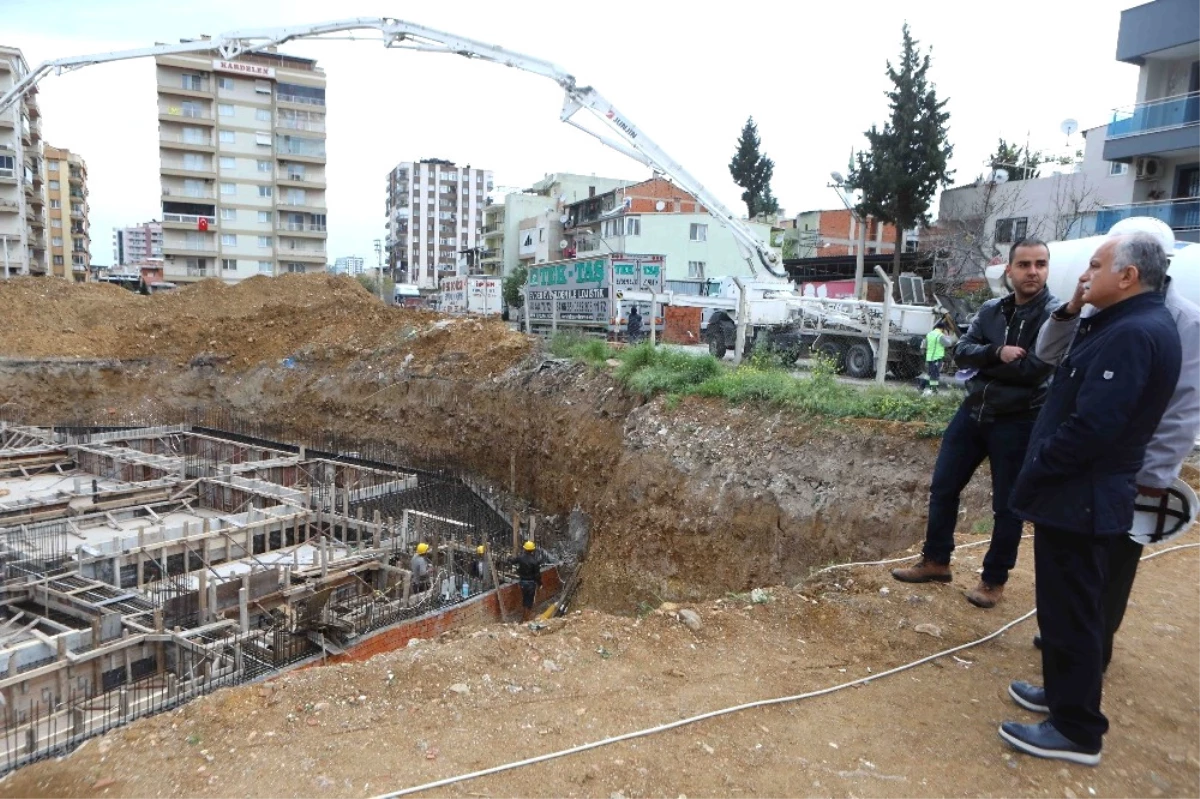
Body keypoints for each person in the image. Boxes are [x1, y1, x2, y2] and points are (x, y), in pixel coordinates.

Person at [1000, 233, 1182, 766]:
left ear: (1127, 276)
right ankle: (1062, 698)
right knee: (1062, 610)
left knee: (1075, 613)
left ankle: (1077, 731)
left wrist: (1035, 470)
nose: (1084, 275)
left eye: (1096, 266)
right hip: (1078, 495)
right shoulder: (1123, 323)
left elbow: (1092, 428)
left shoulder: (1133, 333)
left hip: (1082, 496)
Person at [1024, 226, 1200, 671]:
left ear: (1133, 269)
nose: (1088, 273)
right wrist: (1074, 306)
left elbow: (1182, 409)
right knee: (1076, 580)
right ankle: (1067, 656)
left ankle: (1086, 666)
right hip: (1085, 467)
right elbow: (1046, 354)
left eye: (1099, 265)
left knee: (1108, 575)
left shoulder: (1181, 322)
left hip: (1123, 472)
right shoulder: (1103, 309)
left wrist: (1155, 478)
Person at [891, 239, 1057, 608]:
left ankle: (993, 580)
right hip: (974, 411)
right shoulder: (991, 309)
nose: (1033, 271)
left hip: (1018, 419)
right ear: (1009, 271)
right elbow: (962, 351)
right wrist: (997, 352)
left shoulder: (1054, 316)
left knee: (1007, 506)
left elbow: (1034, 370)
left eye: (1041, 264)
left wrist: (986, 362)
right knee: (944, 488)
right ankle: (936, 561)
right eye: (1025, 264)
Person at [514, 540, 544, 622]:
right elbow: (537, 575)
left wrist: (509, 559)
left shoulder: (520, 558)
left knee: (524, 599)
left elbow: (513, 561)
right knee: (529, 601)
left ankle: (523, 618)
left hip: (522, 583)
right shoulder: (534, 561)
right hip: (531, 583)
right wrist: (540, 584)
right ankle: (527, 618)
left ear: (525, 549)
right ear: (533, 550)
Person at [921, 319, 952, 395]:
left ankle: (921, 386)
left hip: (929, 357)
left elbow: (924, 345)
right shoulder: (940, 335)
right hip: (937, 358)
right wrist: (947, 336)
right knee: (935, 374)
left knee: (930, 373)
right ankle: (934, 390)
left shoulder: (929, 334)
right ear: (943, 329)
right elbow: (948, 344)